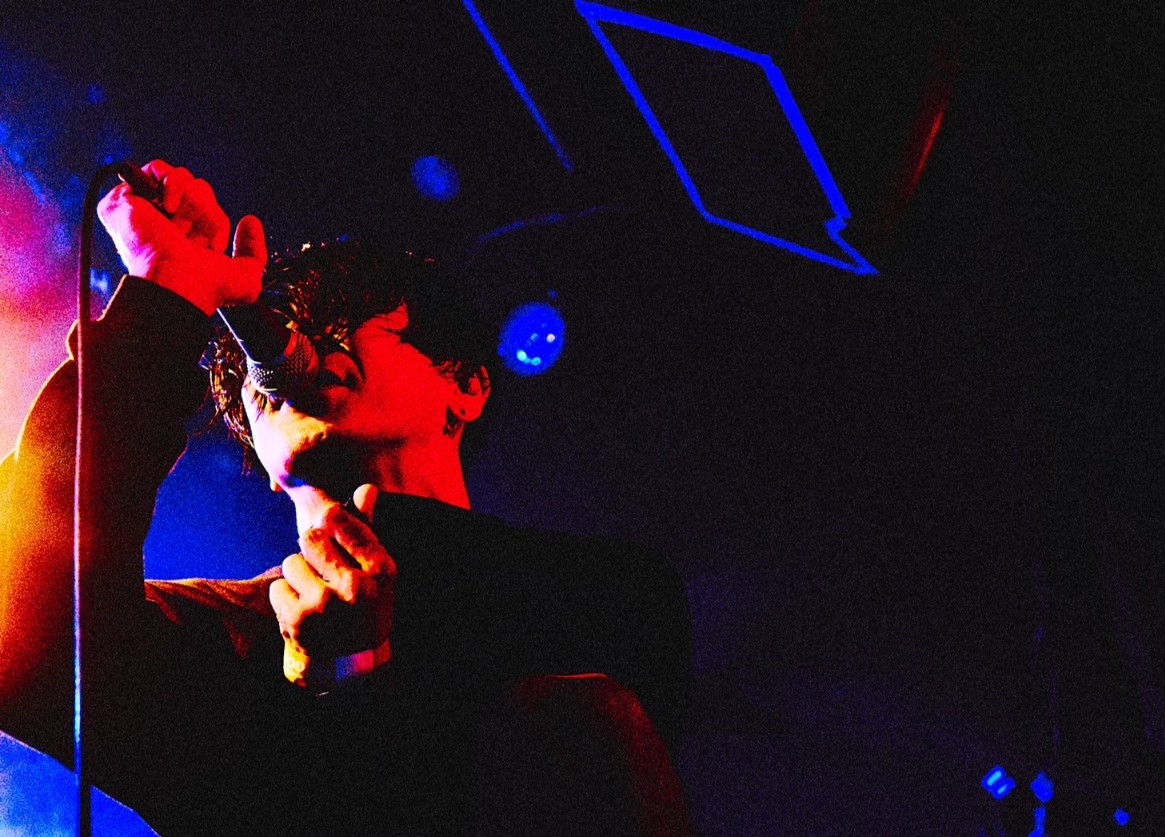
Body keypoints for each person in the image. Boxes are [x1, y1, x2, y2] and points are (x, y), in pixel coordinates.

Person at [0, 160, 692, 834]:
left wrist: (357, 685)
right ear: (262, 454)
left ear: (467, 387)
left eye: (347, 321)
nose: (301, 349)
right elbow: (26, 640)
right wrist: (164, 295)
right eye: (253, 372)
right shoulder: (222, 635)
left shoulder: (605, 592)